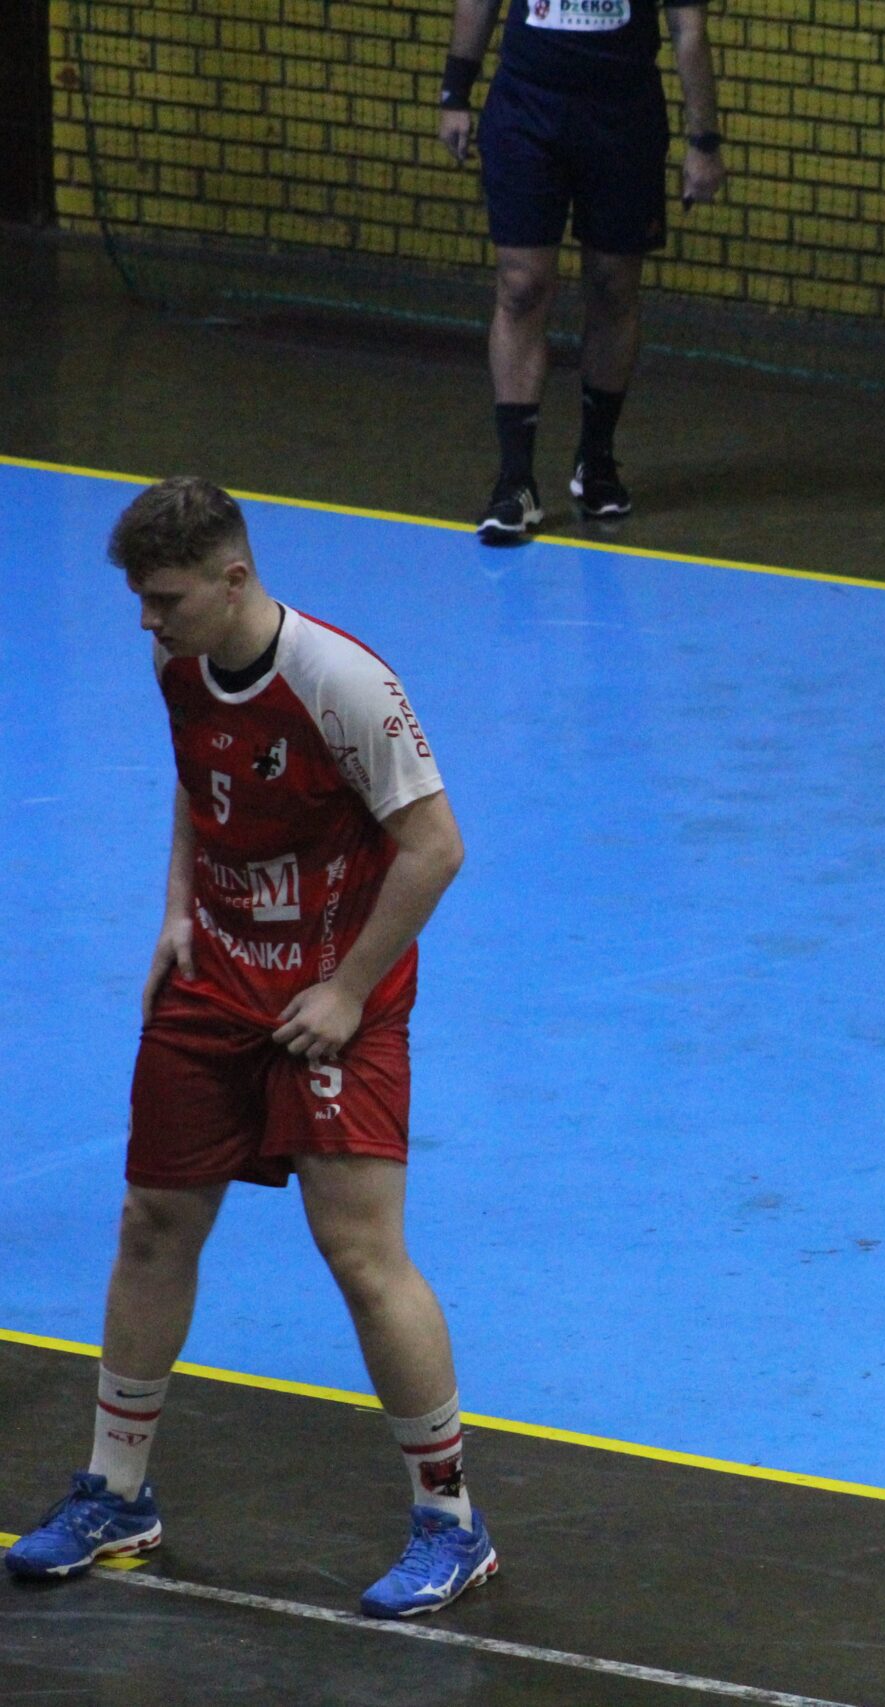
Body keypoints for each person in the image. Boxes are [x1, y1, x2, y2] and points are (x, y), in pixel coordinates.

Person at [3, 479, 491, 1619]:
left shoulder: (342, 683)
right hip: (214, 978)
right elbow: (198, 778)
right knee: (151, 1223)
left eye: (165, 598)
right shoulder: (179, 658)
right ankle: (117, 1494)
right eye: (140, 599)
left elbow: (435, 846)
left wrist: (348, 990)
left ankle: (451, 1521)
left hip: (329, 992)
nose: (147, 619)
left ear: (233, 580)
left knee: (361, 1252)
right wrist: (176, 908)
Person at [434, 0, 726, 543]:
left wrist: (703, 141)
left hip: (623, 119)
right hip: (527, 109)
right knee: (521, 286)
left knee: (613, 287)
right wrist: (455, 92)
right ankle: (515, 482)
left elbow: (688, 27)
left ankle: (597, 461)